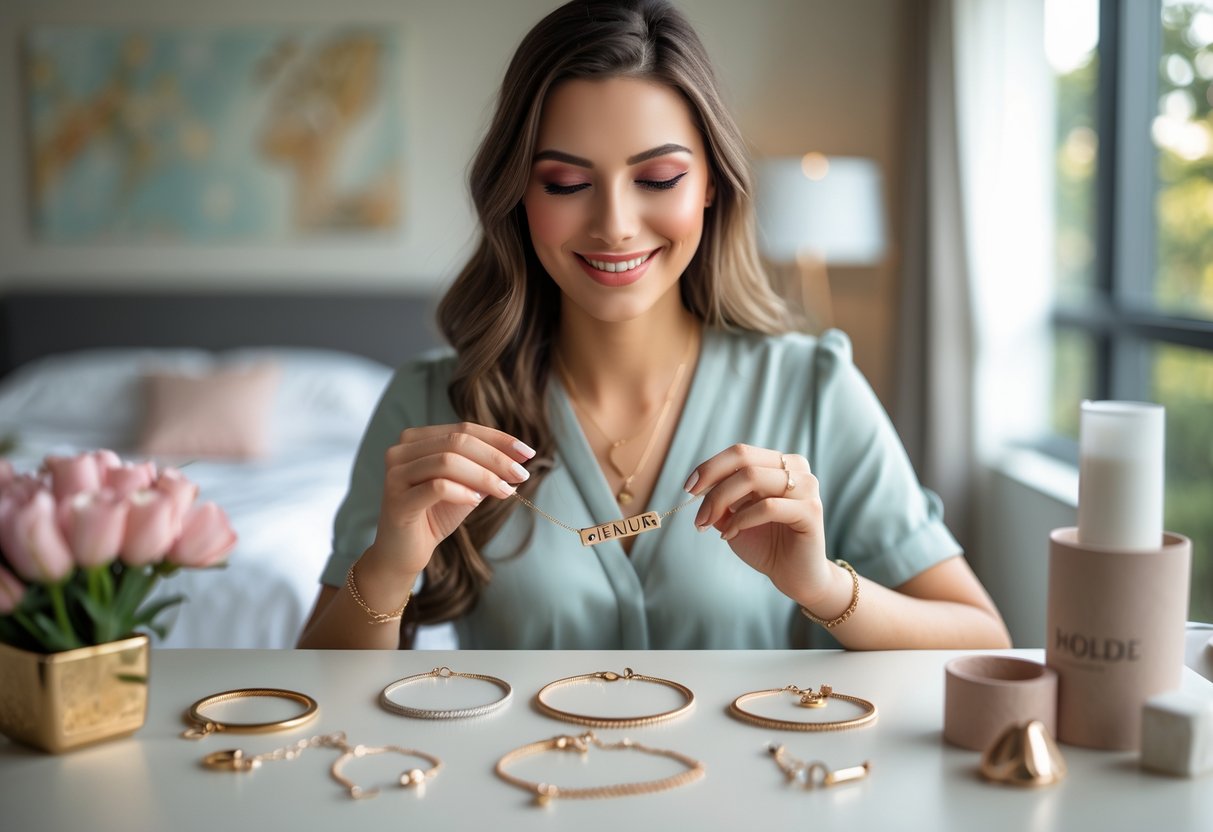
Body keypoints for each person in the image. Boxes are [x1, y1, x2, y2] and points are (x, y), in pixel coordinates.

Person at [298, 0, 1011, 651]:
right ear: (517, 194)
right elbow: (321, 694)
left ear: (710, 186)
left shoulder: (813, 388)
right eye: (566, 184)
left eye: (658, 178)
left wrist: (821, 587)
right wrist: (390, 566)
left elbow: (980, 642)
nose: (613, 225)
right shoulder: (427, 407)